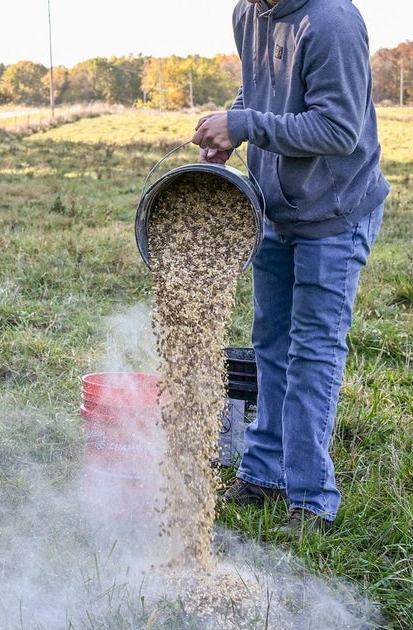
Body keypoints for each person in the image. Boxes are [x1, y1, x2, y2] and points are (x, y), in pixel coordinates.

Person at [191, 0, 389, 532]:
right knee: (270, 344)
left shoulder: (332, 23)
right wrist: (229, 128)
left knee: (312, 350)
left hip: (334, 209)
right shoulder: (247, 13)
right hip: (275, 208)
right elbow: (257, 94)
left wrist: (246, 122)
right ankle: (263, 473)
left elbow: (338, 129)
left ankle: (311, 499)